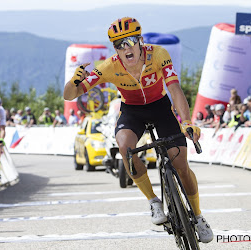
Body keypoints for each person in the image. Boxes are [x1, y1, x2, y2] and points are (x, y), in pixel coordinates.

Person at [63, 17, 213, 243]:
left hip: (161, 109)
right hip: (132, 112)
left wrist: (187, 121)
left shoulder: (159, 54)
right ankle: (153, 201)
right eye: (118, 44)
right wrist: (74, 81)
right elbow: (69, 96)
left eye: (130, 41)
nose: (125, 48)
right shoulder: (109, 66)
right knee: (125, 148)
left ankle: (199, 217)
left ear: (140, 41)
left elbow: (174, 88)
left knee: (181, 165)